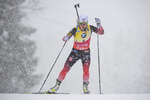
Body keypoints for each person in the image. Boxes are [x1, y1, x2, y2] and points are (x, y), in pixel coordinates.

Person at [47, 14, 104, 94]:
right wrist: (66, 37)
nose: (83, 26)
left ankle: (85, 87)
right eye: (81, 24)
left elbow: (101, 32)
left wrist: (99, 25)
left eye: (84, 24)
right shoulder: (75, 29)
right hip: (75, 52)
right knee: (65, 69)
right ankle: (56, 86)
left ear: (87, 23)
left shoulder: (90, 28)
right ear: (79, 23)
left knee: (86, 70)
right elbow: (65, 38)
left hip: (86, 53)